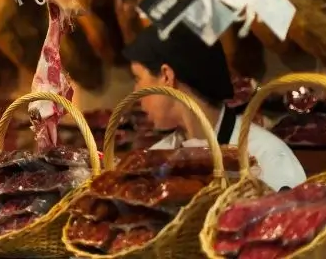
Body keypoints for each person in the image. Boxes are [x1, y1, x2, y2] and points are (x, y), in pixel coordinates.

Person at [123, 23, 305, 191]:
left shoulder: (266, 156)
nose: (136, 92)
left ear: (166, 76)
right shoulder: (157, 159)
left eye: (138, 79)